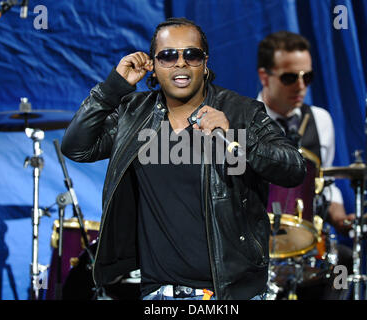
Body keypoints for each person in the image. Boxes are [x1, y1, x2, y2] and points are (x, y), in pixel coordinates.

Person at [61, 18, 306, 300]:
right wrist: (113, 88)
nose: (180, 63)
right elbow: (77, 147)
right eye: (167, 55)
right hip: (159, 293)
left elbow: (294, 168)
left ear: (205, 63)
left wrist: (237, 140)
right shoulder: (133, 114)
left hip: (231, 293)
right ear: (152, 64)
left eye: (191, 54)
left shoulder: (241, 112)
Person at [257, 31, 355, 299]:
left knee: (342, 263)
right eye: (290, 77)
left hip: (308, 242)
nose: (301, 86)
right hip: (256, 242)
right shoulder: (244, 121)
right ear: (265, 76)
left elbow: (325, 182)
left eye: (307, 77)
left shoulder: (321, 120)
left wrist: (340, 218)